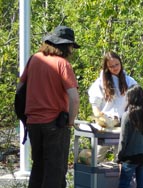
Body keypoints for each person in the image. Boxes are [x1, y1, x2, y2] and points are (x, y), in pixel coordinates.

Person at [17, 26, 80, 188]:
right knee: (55, 170)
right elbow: (74, 98)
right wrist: (70, 121)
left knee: (38, 167)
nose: (72, 50)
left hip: (33, 122)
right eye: (71, 46)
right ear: (66, 46)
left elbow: (19, 89)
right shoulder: (63, 64)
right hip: (55, 123)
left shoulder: (34, 59)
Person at [117, 84, 143, 188]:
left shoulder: (128, 115)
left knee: (124, 184)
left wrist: (119, 157)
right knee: (142, 184)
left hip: (130, 157)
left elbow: (123, 139)